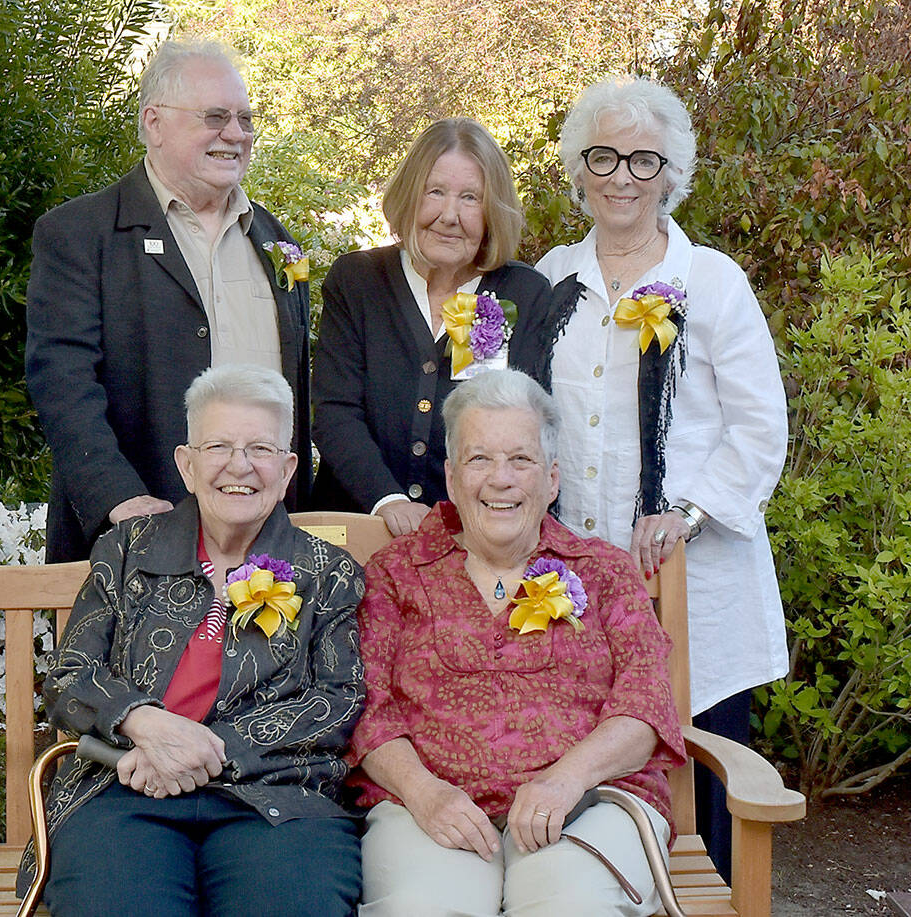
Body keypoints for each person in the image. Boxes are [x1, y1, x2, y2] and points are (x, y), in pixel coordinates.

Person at [520, 75, 788, 879]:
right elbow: (524, 415)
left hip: (693, 579)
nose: (622, 176)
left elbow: (757, 428)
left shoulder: (713, 281)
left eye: (644, 159)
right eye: (603, 156)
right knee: (591, 769)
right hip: (574, 581)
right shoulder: (551, 279)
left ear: (673, 172)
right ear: (577, 169)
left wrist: (688, 513)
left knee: (701, 781)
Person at [18, 364, 365, 916]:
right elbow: (69, 673)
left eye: (260, 448)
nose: (239, 466)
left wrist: (196, 752)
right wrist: (144, 725)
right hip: (124, 785)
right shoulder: (128, 549)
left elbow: (338, 699)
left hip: (275, 799)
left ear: (287, 469)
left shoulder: (328, 571)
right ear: (186, 464)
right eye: (218, 446)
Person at [348, 369, 685, 916]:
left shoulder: (603, 572)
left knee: (571, 906)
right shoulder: (395, 573)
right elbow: (369, 712)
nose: (500, 479)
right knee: (424, 909)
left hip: (589, 801)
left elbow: (644, 708)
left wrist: (564, 780)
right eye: (480, 459)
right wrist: (426, 793)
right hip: (428, 808)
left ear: (551, 479)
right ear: (453, 478)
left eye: (521, 460)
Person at [26, 40, 312, 562]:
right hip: (134, 542)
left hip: (267, 552)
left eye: (246, 119)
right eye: (215, 116)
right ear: (154, 123)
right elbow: (62, 382)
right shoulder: (81, 234)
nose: (235, 134)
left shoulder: (275, 241)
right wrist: (119, 499)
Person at [312, 117, 551, 536]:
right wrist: (387, 499)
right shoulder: (357, 280)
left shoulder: (524, 292)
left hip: (472, 539)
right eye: (434, 192)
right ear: (409, 196)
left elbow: (523, 429)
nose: (449, 215)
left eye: (470, 198)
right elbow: (334, 412)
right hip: (358, 526)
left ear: (492, 209)